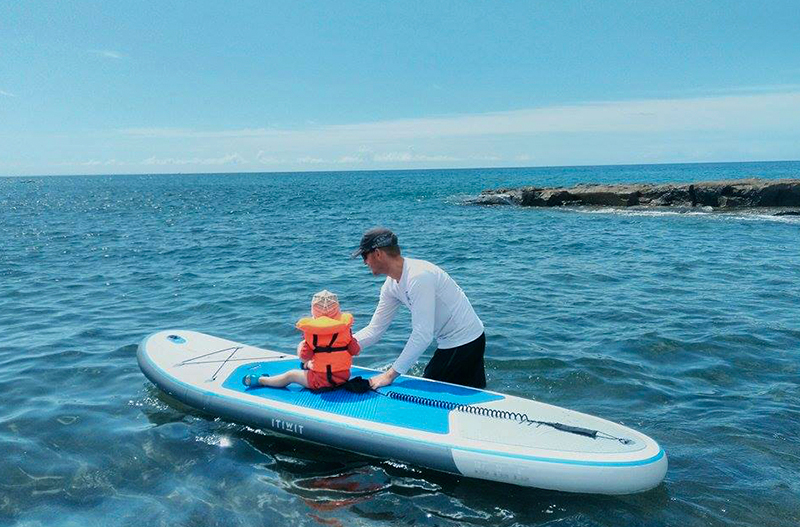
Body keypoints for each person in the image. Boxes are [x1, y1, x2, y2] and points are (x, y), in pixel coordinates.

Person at [351, 227, 486, 390]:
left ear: (378, 253)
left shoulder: (418, 276)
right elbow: (375, 330)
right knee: (465, 391)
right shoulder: (391, 286)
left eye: (364, 256)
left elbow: (423, 335)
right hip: (454, 340)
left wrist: (389, 375)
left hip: (464, 340)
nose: (364, 262)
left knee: (432, 392)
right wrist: (343, 346)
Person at [243, 290, 360, 390]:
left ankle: (261, 380)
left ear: (313, 310)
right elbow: (355, 351)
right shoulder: (346, 330)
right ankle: (307, 366)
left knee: (291, 375)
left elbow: (304, 357)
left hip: (319, 381)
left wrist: (305, 349)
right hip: (343, 378)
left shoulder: (311, 333)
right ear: (337, 308)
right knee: (322, 358)